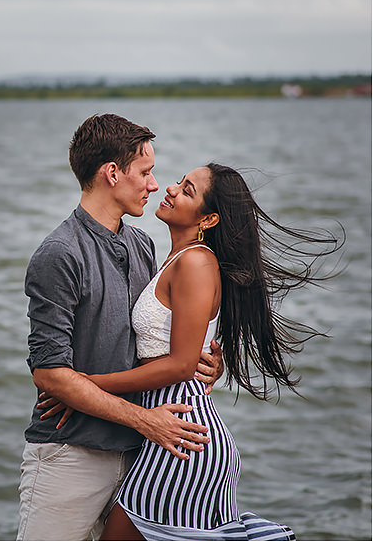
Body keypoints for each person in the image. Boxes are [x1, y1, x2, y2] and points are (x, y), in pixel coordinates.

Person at [70, 162, 341, 541]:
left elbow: (181, 365)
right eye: (180, 182)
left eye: (187, 190)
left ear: (209, 219)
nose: (170, 189)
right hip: (172, 431)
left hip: (184, 437)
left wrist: (89, 385)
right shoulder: (172, 260)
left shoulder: (196, 262)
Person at [17, 114, 224, 541]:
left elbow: (156, 339)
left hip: (140, 458)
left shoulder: (142, 245)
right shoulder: (59, 255)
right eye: (145, 172)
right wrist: (146, 420)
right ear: (112, 173)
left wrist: (202, 360)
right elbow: (49, 374)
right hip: (71, 456)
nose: (154, 184)